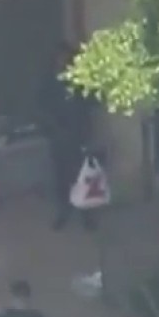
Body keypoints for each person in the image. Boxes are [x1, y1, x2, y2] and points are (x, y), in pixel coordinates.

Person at [42, 43, 98, 232]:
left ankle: (86, 214)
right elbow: (41, 108)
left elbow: (90, 104)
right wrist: (54, 127)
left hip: (79, 135)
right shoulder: (49, 82)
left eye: (67, 58)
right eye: (60, 58)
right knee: (61, 177)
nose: (63, 62)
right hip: (58, 137)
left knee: (83, 176)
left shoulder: (80, 80)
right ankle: (64, 210)